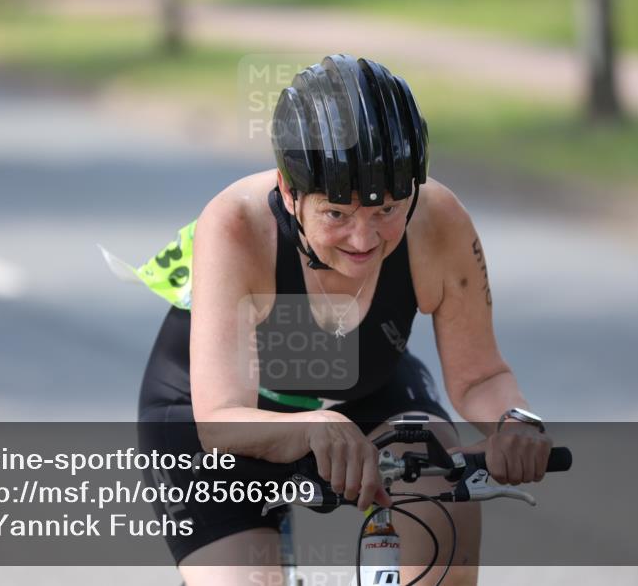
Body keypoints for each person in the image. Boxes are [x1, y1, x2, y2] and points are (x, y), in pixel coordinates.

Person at [137, 54, 553, 585]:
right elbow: (221, 418)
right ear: (290, 194)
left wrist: (515, 422)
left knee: (443, 503)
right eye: (337, 214)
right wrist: (315, 427)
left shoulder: (438, 221)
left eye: (386, 211)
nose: (365, 240)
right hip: (216, 422)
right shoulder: (238, 224)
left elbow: (481, 377)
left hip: (358, 390)